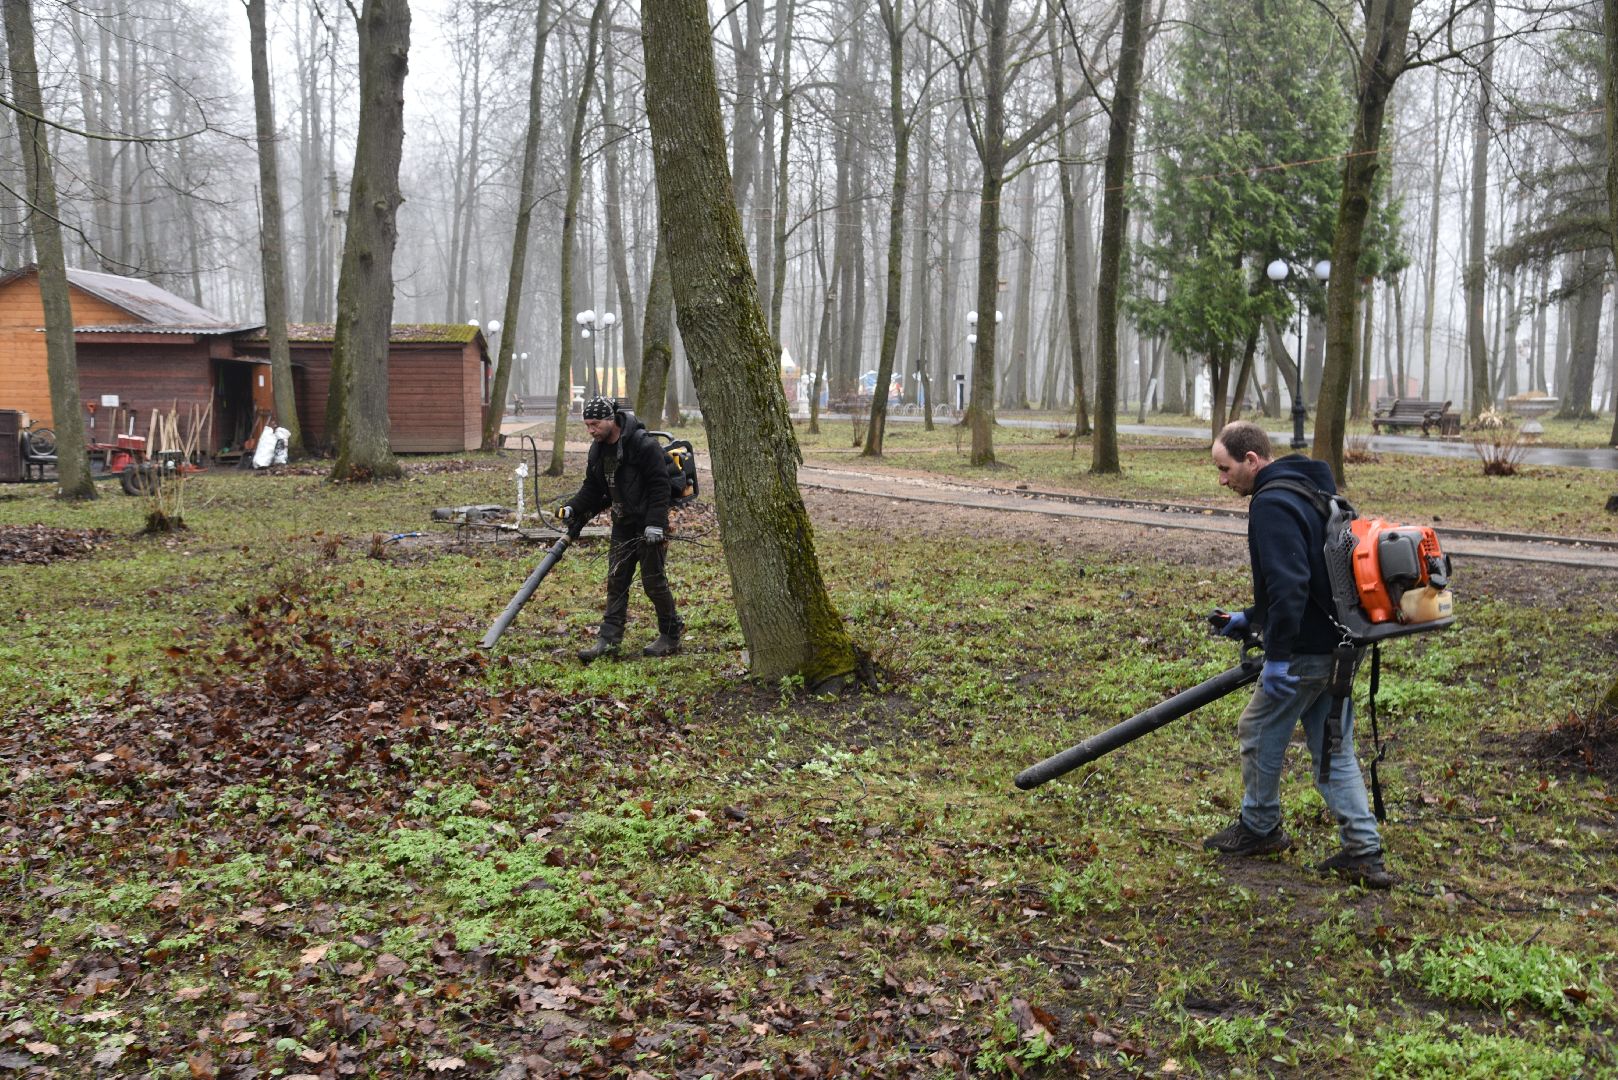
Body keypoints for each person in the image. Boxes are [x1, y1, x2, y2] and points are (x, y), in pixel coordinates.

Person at [1205, 420, 1394, 889]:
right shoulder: (1313, 491)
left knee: (1259, 728)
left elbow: (1291, 586)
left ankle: (1260, 826)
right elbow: (1316, 577)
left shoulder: (1270, 504)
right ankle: (1364, 852)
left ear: (1252, 460)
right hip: (1344, 646)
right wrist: (1251, 617)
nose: (1222, 480)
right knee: (1334, 750)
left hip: (1306, 652)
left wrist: (1278, 658)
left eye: (1226, 469)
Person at [559, 396, 683, 662]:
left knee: (653, 582)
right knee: (617, 581)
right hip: (623, 523)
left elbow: (660, 486)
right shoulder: (598, 450)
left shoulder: (643, 445)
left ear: (610, 419)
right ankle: (609, 641)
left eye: (594, 424)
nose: (591, 430)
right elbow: (592, 487)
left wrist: (655, 524)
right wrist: (572, 508)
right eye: (587, 425)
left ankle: (671, 635)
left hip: (650, 524)